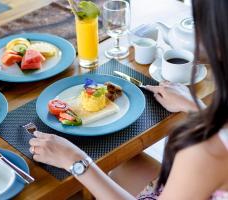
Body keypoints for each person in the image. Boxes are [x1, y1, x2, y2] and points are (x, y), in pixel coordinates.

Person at [29, 0, 228, 199]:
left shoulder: (206, 152)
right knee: (121, 162)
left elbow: (213, 154)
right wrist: (196, 107)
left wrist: (77, 161)